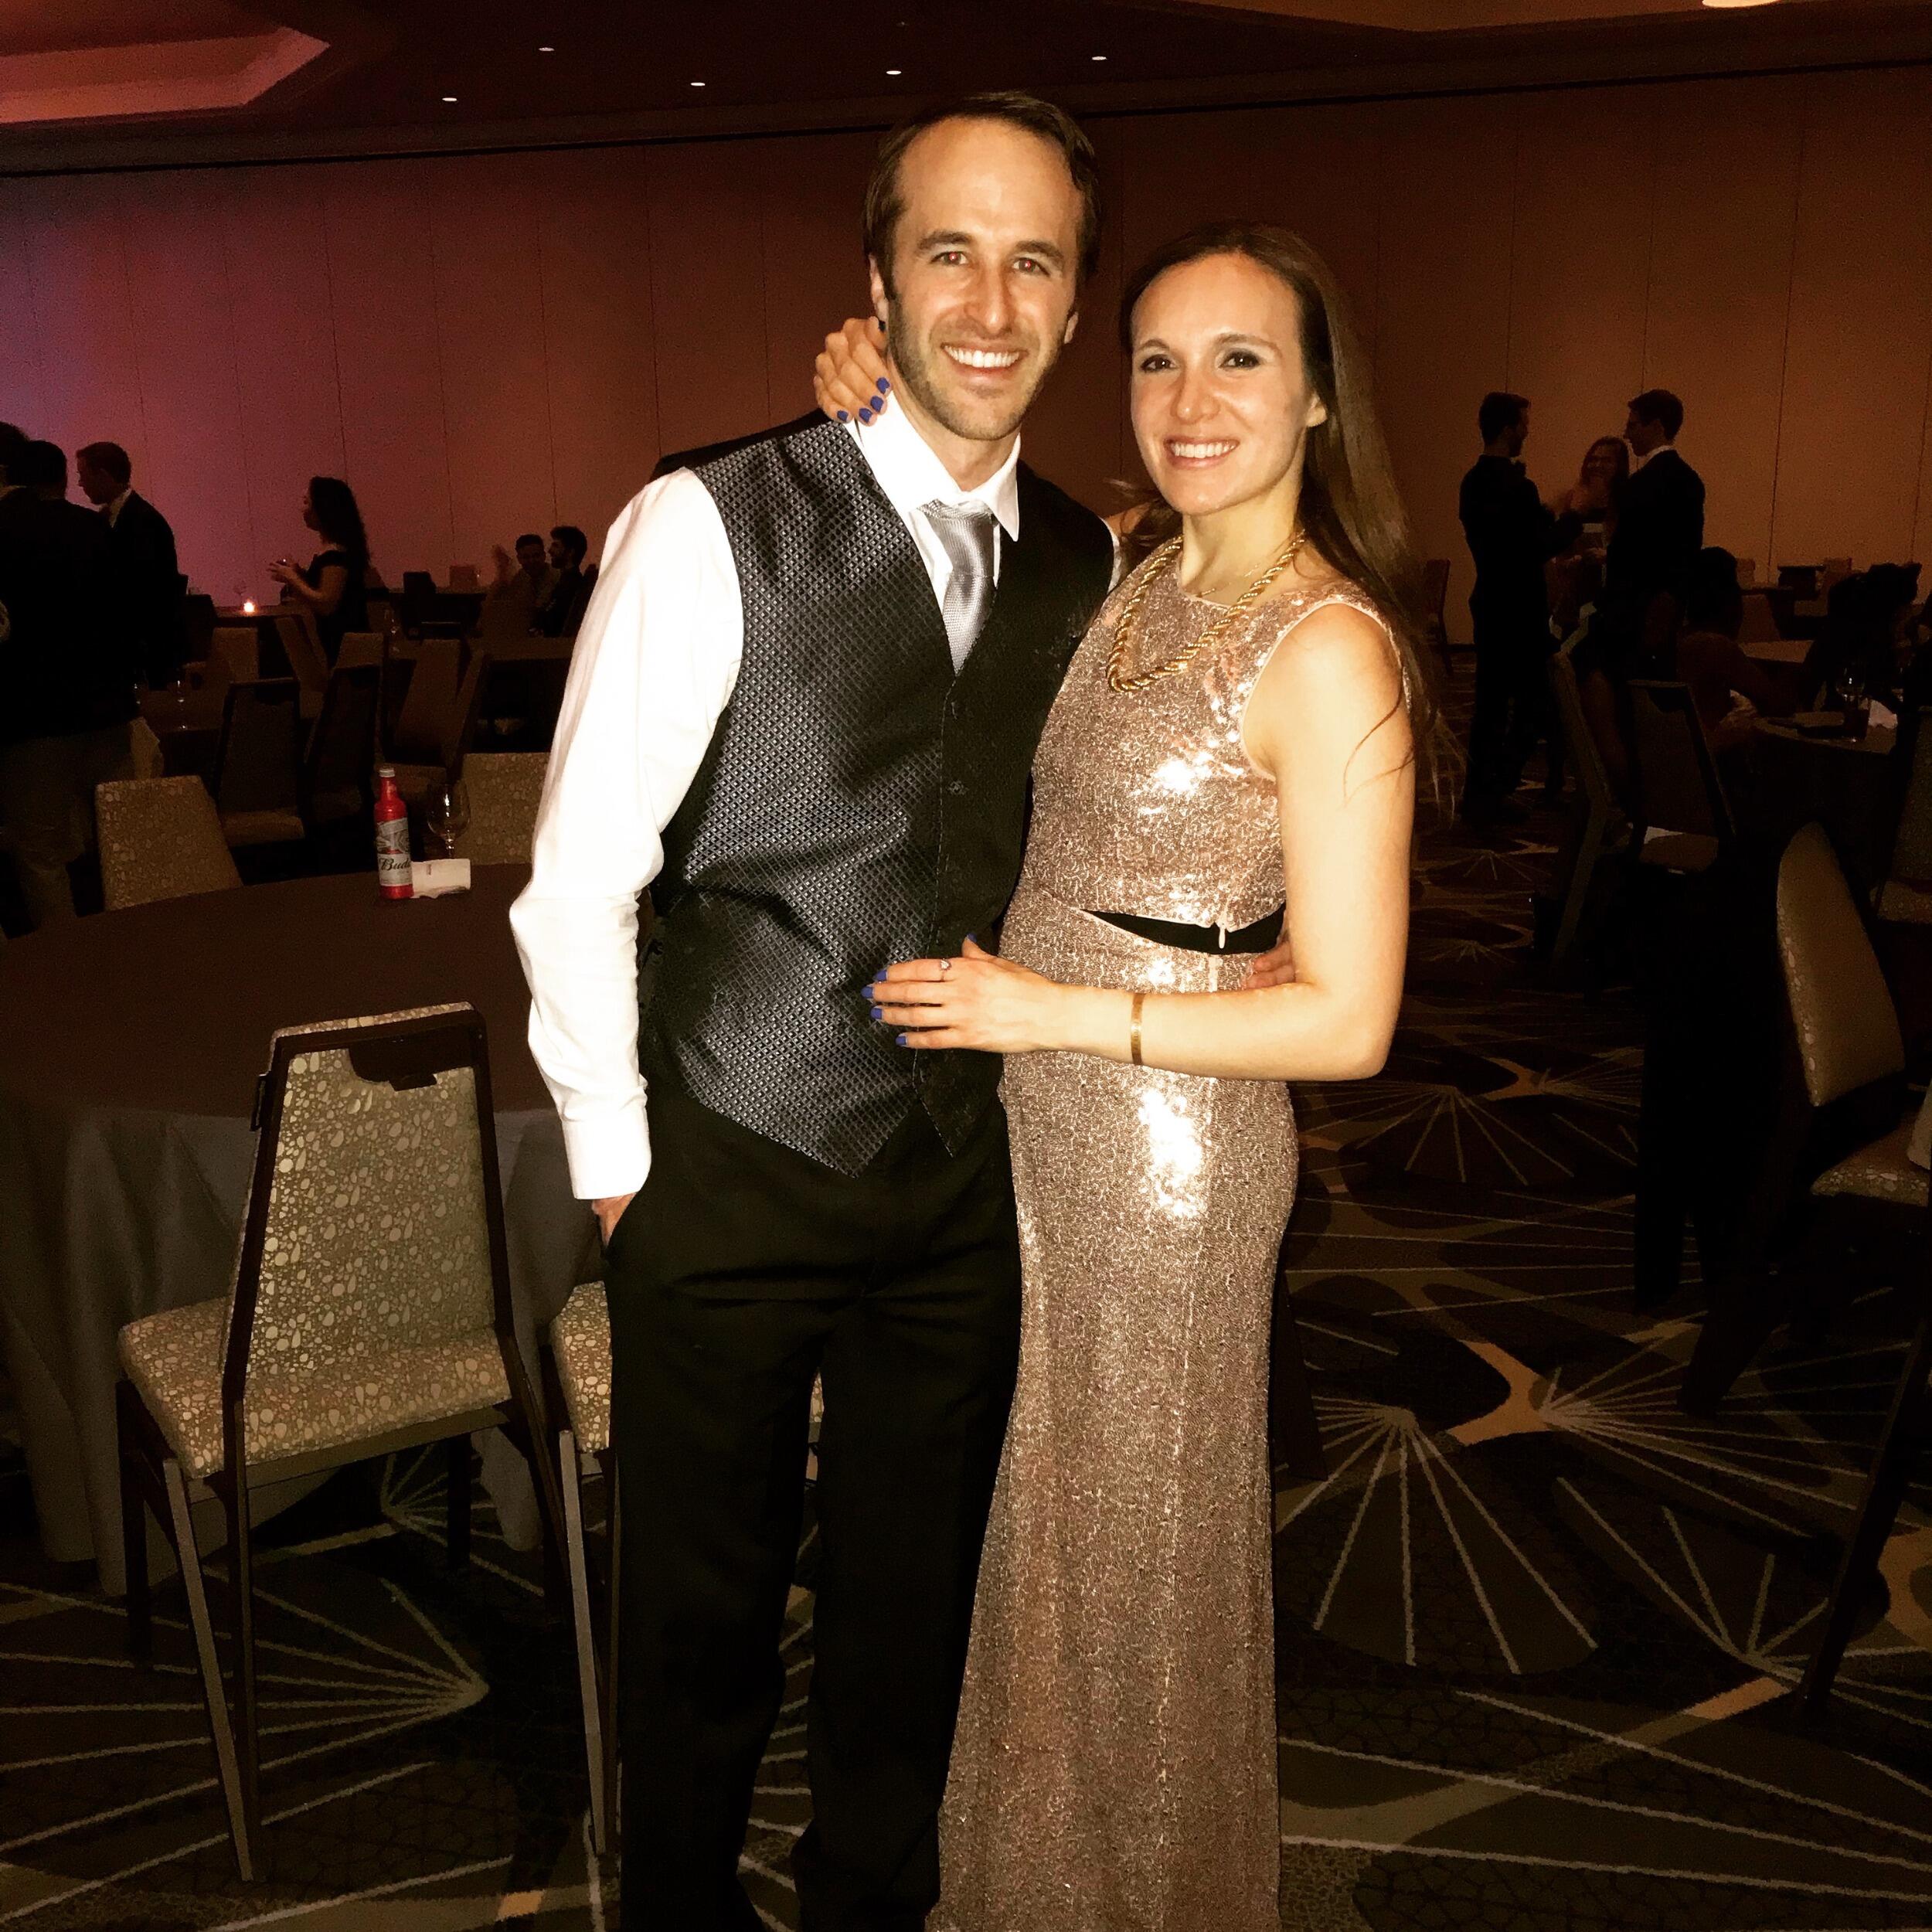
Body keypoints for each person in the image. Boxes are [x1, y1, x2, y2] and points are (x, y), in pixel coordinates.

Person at [514, 93, 1157, 1931]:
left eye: (1034, 257)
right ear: (875, 276)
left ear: (1073, 299)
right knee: (699, 1626)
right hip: (726, 1157)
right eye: (947, 247)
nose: (989, 294)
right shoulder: (709, 521)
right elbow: (576, 879)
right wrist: (628, 1173)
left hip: (959, 1185)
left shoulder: (1080, 563)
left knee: (909, 1614)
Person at [828, 221, 1426, 1930]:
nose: (1190, 395)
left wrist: (1060, 1016)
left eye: (1240, 358)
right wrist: (868, 399)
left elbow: (1347, 1021)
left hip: (1167, 1152)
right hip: (1033, 1113)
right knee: (1035, 1539)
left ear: (1316, 397)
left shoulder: (1328, 651)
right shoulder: (1119, 571)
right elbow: (912, 546)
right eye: (1157, 356)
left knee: (1125, 1562)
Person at [0, 440, 138, 926]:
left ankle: (69, 967)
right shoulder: (93, 527)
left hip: (35, 713)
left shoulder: (5, 530)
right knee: (120, 840)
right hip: (107, 705)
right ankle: (139, 947)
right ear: (59, 478)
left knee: (41, 853)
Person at [1457, 392, 1590, 823]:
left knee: (1490, 707)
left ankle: (1479, 799)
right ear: (1510, 427)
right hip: (1521, 610)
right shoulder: (1517, 486)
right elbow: (1535, 546)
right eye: (1524, 423)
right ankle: (1498, 789)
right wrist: (1574, 516)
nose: (1528, 430)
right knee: (1535, 706)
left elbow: (1505, 539)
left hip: (1489, 603)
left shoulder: (1473, 482)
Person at [1594, 388, 1703, 674]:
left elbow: (1627, 554)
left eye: (1633, 425)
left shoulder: (1639, 485)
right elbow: (1688, 548)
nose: (1627, 434)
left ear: (1656, 426)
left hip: (1633, 608)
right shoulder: (1691, 480)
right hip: (1671, 603)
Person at [76, 440, 185, 687]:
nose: (80, 484)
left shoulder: (141, 522)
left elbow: (139, 588)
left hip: (146, 648)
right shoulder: (134, 516)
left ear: (102, 475)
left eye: (83, 475)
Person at [1674, 546, 1793, 753]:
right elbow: (1776, 704)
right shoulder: (1716, 647)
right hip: (1710, 763)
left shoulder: (1679, 640)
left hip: (1681, 757)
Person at [268, 477, 370, 663]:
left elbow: (326, 603)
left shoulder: (336, 554)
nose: (303, 509)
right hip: (342, 646)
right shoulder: (333, 551)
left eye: (307, 502)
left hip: (345, 651)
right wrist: (300, 575)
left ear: (324, 508)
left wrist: (293, 578)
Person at [1548, 434, 1629, 637]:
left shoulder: (1627, 504)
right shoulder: (1570, 499)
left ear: (1619, 466)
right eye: (1593, 459)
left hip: (1610, 598)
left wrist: (1607, 556)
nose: (1597, 465)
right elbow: (1555, 544)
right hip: (1572, 595)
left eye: (1606, 460)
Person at [534, 525, 594, 637]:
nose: (550, 550)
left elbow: (554, 619)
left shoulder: (570, 585)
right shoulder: (566, 581)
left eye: (556, 546)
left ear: (570, 552)